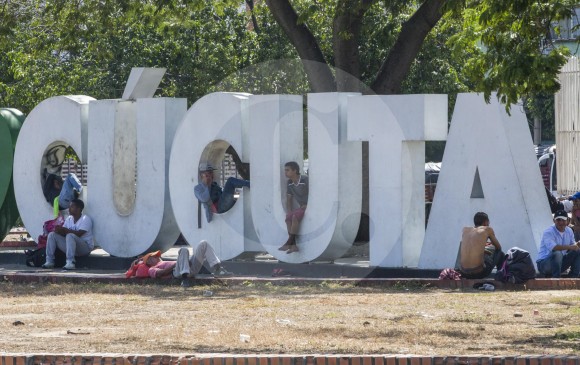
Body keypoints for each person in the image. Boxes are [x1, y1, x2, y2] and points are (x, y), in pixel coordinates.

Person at [135, 240, 233, 286]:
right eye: (154, 256)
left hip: (189, 267)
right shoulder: (152, 269)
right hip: (177, 273)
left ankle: (217, 268)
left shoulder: (163, 261)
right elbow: (160, 273)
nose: (158, 257)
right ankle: (185, 279)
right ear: (149, 261)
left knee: (203, 244)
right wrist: (175, 265)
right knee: (184, 250)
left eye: (157, 255)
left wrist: (181, 262)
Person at [42, 198, 94, 270]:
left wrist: (65, 230)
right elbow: (64, 233)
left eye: (72, 207)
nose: (69, 209)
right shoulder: (69, 219)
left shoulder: (85, 219)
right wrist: (59, 231)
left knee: (70, 235)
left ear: (78, 209)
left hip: (84, 248)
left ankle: (70, 262)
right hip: (71, 247)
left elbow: (79, 234)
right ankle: (49, 261)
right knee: (52, 235)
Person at [458, 212, 505, 279]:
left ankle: (458, 269)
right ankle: (500, 277)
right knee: (500, 253)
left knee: (461, 244)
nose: (489, 224)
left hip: (464, 273)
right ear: (485, 222)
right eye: (488, 222)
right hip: (480, 273)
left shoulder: (465, 230)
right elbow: (498, 247)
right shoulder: (487, 229)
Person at [536, 209, 580, 278]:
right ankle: (556, 279)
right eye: (558, 220)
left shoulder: (569, 231)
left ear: (568, 221)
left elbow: (573, 247)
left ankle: (573, 277)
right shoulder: (548, 232)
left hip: (560, 263)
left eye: (563, 220)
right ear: (554, 221)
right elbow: (554, 247)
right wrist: (571, 247)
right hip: (544, 264)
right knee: (557, 253)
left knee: (578, 251)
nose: (561, 222)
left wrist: (578, 244)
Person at [278, 161, 308, 254]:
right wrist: (289, 212)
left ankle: (289, 242)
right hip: (302, 206)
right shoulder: (289, 183)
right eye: (285, 170)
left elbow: (314, 194)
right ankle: (293, 245)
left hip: (308, 206)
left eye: (288, 170)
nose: (285, 172)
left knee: (295, 217)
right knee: (288, 218)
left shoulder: (305, 180)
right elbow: (289, 199)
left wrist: (309, 205)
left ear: (295, 171)